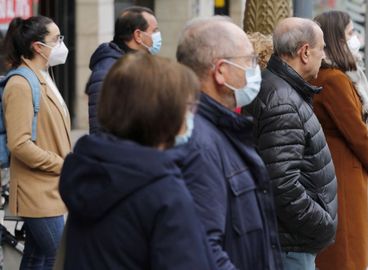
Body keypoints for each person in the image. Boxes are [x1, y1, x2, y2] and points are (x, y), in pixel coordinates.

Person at [58, 53, 215, 270]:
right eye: (187, 107)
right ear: (163, 112)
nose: (190, 116)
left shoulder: (88, 169)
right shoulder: (163, 191)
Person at [176, 16, 282, 270]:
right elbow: (202, 251)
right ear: (221, 71)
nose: (256, 69)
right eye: (249, 61)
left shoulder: (218, 129)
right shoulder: (199, 144)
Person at [245, 17, 337, 270]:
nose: (325, 56)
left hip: (289, 240)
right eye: (322, 48)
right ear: (305, 52)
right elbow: (282, 183)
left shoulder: (281, 88)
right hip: (290, 244)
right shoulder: (283, 100)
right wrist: (321, 224)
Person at [310, 11, 368, 270]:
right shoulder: (335, 79)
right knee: (348, 248)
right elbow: (356, 131)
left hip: (335, 164)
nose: (355, 39)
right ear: (336, 38)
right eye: (351, 33)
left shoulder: (331, 76)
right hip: (342, 168)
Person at [2, 16, 71, 269]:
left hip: (47, 187)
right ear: (38, 47)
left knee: (37, 256)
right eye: (57, 39)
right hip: (36, 190)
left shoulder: (44, 76)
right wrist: (61, 163)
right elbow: (19, 144)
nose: (62, 44)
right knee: (57, 256)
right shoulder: (21, 83)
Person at [86, 6, 161, 134]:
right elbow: (99, 128)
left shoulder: (142, 63)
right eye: (154, 31)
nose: (158, 36)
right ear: (138, 35)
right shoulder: (107, 71)